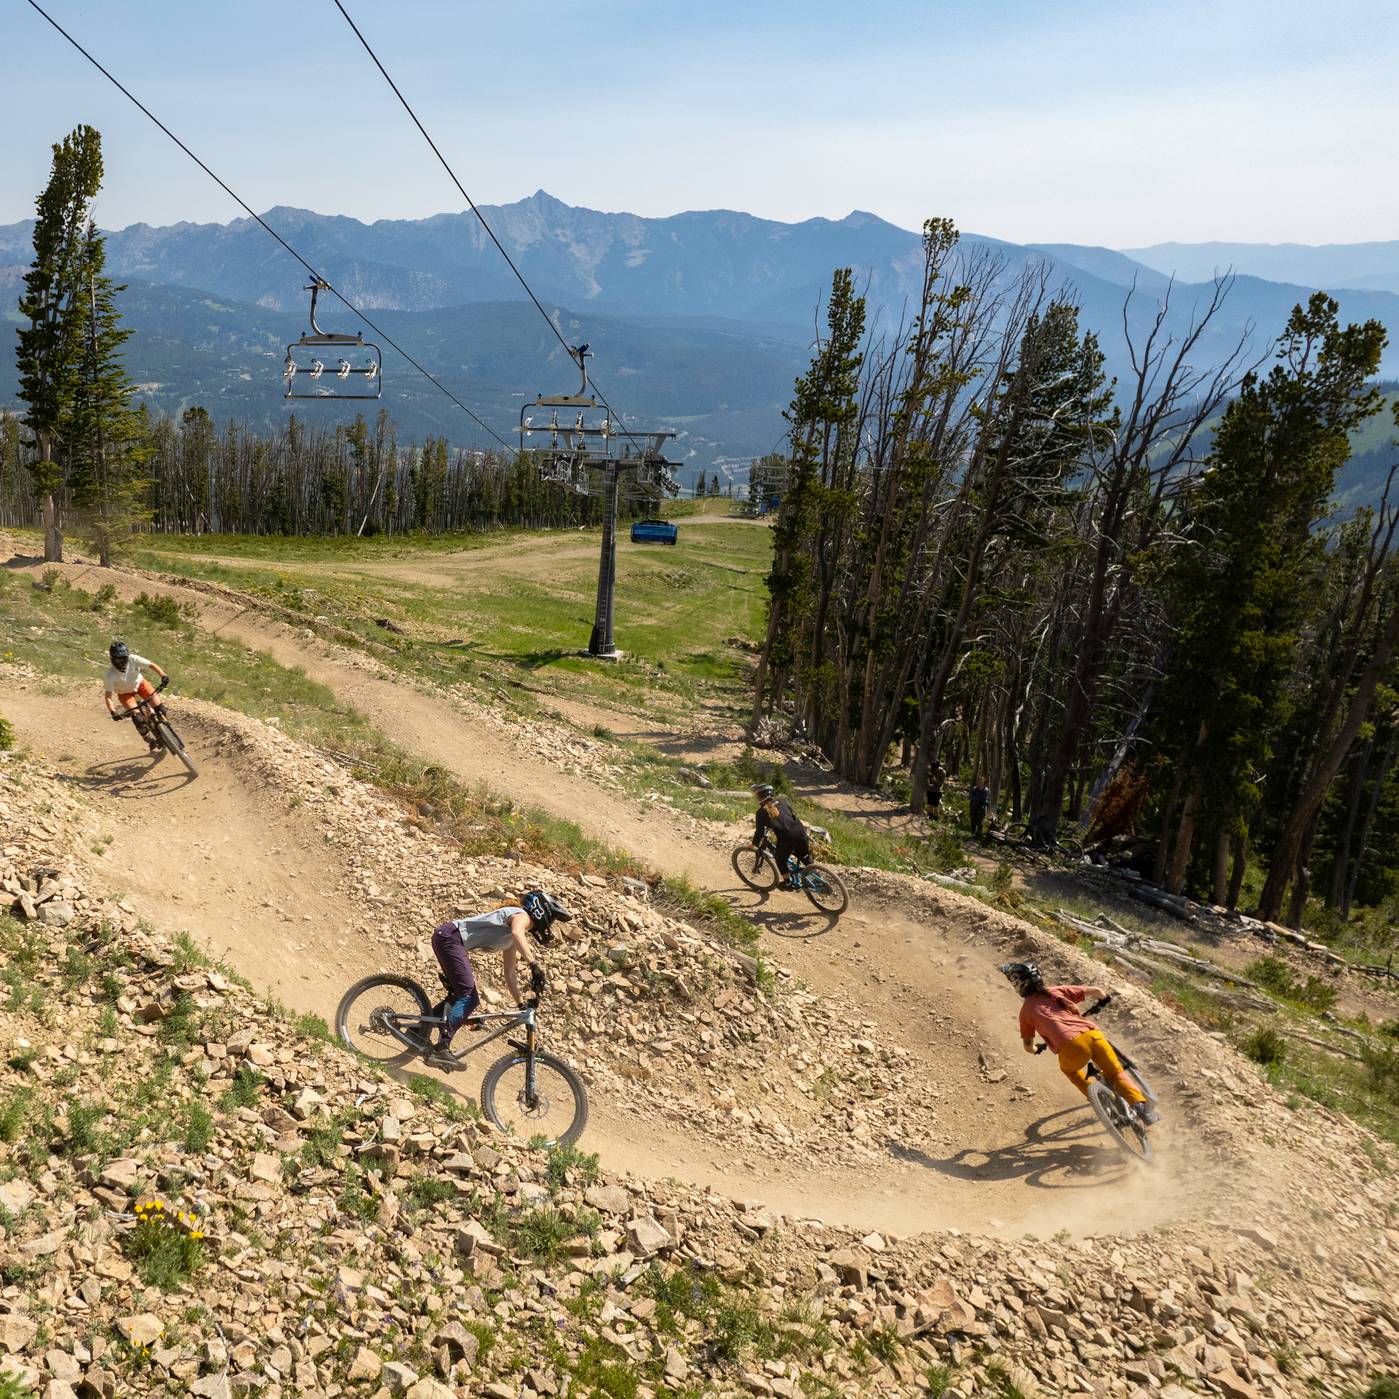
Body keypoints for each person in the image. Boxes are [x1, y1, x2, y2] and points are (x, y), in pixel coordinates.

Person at [999, 961, 1159, 1125]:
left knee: (1071, 1072)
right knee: (1116, 1073)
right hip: (1093, 1036)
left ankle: (1101, 1102)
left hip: (1071, 1049)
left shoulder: (1025, 1011)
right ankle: (1143, 1110)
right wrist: (1103, 1000)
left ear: (1018, 984)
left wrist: (1037, 1049)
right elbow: (1097, 991)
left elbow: (1028, 1047)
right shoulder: (1055, 992)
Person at [424, 890, 571, 1066]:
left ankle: (417, 1030)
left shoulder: (511, 938)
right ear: (542, 910)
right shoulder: (521, 916)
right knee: (469, 996)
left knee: (461, 997)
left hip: (449, 940)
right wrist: (534, 965)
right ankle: (442, 1047)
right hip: (450, 938)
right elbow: (518, 934)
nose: (550, 924)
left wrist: (520, 1005)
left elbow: (509, 975)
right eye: (552, 918)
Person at [103, 640, 170, 752]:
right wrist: (113, 712)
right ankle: (148, 739)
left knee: (161, 709)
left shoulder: (133, 659)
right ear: (112, 658)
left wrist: (163, 675)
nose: (122, 661)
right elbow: (108, 696)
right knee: (138, 719)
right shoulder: (110, 675)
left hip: (141, 685)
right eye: (118, 659)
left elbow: (151, 665)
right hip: (125, 694)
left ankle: (166, 731)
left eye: (124, 658)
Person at [751, 783, 811, 889]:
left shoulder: (761, 812)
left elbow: (759, 832)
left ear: (760, 797)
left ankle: (787, 883)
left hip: (787, 838)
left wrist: (753, 845)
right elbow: (788, 815)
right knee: (804, 857)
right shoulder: (783, 801)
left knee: (779, 858)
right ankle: (817, 876)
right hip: (800, 832)